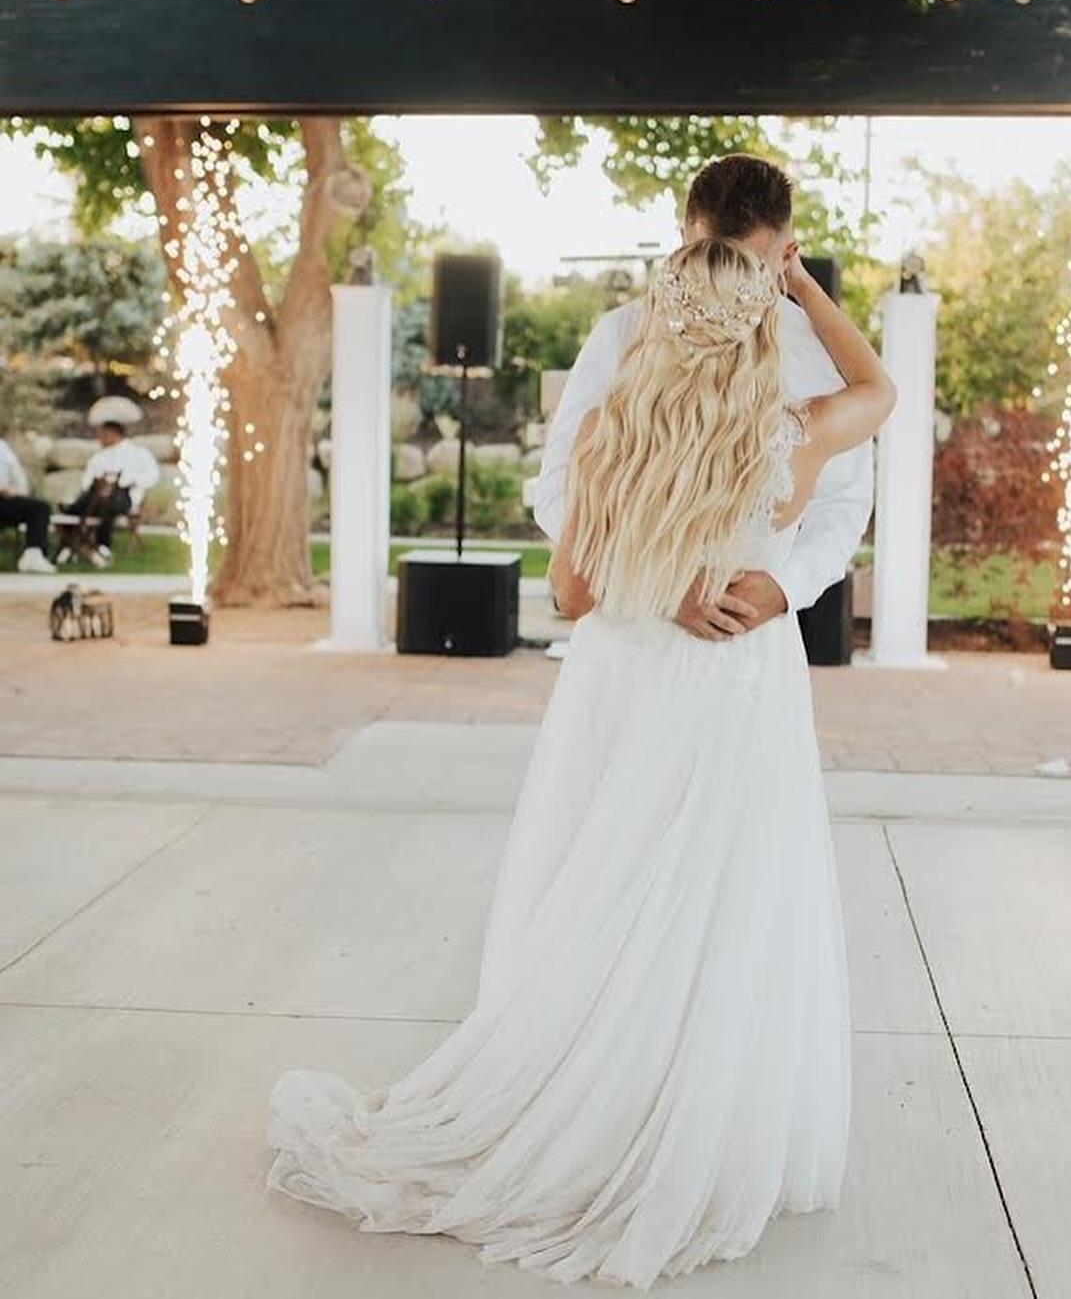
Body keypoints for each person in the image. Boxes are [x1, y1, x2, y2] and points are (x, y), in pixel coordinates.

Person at [265, 221, 897, 1287]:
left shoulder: (609, 429)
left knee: (604, 884)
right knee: (716, 899)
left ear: (663, 321)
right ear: (762, 326)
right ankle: (680, 1111)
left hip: (630, 676)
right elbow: (879, 386)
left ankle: (587, 1099)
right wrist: (799, 285)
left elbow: (569, 593)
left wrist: (655, 567)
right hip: (734, 689)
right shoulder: (795, 434)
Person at [536, 152, 875, 638]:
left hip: (750, 644)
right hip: (629, 628)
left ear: (786, 256)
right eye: (710, 255)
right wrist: (659, 582)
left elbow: (844, 500)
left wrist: (786, 587)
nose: (725, 282)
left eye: (749, 266)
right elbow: (557, 490)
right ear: (683, 241)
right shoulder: (619, 335)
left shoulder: (817, 351)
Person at [58, 420, 159, 567]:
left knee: (108, 503)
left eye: (103, 434)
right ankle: (70, 544)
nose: (100, 438)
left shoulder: (139, 454)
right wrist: (99, 484)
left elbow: (152, 476)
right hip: (95, 495)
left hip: (125, 495)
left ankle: (103, 545)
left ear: (113, 434)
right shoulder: (99, 457)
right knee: (72, 509)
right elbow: (87, 480)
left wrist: (132, 481)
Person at [0, 436, 57, 573]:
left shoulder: (3, 448)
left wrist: (13, 491)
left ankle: (33, 554)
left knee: (40, 507)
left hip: (5, 500)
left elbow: (20, 480)